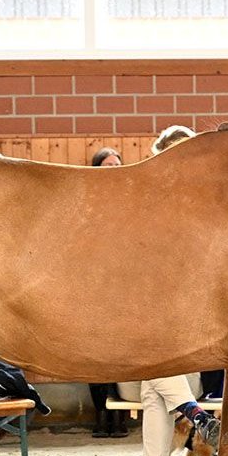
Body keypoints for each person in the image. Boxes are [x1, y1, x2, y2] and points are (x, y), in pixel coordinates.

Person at [118, 127, 221, 456]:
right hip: (134, 357)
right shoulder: (144, 214)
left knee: (156, 392)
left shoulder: (201, 217)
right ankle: (195, 415)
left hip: (179, 359)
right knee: (154, 373)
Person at [86, 145, 128, 437]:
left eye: (117, 164)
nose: (112, 169)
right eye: (107, 165)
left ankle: (121, 416)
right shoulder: (88, 201)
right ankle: (100, 413)